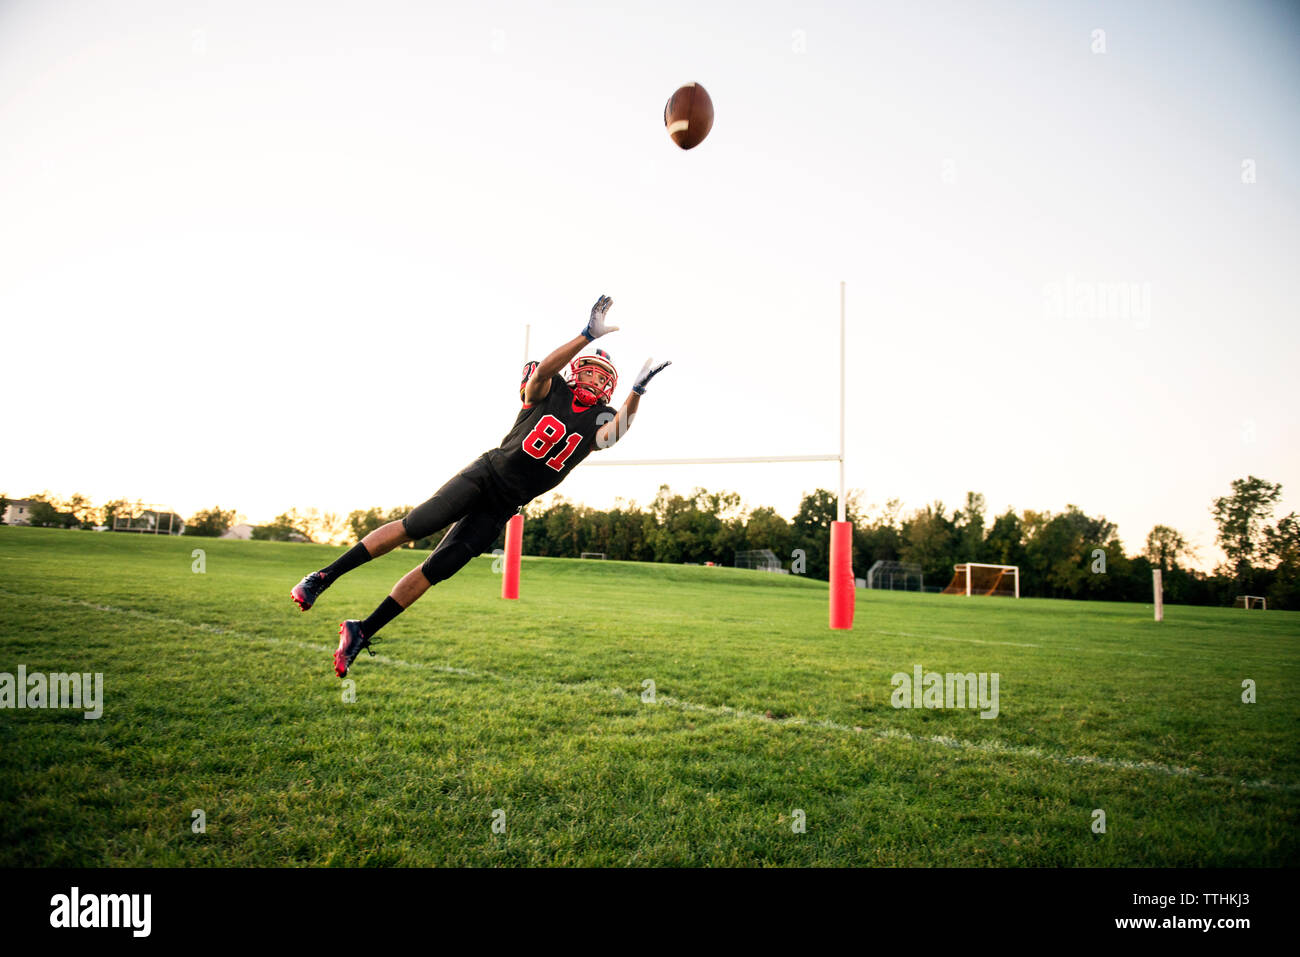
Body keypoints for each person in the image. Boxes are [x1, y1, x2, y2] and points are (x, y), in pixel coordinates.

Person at [289, 294, 671, 677]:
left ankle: (361, 630)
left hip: (505, 505)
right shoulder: (550, 387)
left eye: (604, 379)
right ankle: (323, 577)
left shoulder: (600, 421)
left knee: (438, 568)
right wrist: (585, 336)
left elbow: (615, 433)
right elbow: (539, 375)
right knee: (416, 525)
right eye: (589, 372)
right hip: (486, 475)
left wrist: (636, 394)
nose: (595, 380)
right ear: (575, 371)